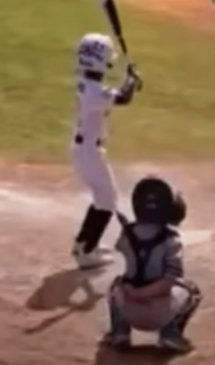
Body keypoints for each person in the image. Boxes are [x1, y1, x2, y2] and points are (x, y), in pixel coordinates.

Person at [103, 176, 201, 354]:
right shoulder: (172, 240)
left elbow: (126, 246)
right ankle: (171, 334)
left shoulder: (127, 235)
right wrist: (143, 294)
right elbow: (167, 283)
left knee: (116, 283)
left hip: (128, 307)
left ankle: (119, 333)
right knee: (193, 290)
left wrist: (129, 229)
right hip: (160, 313)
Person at [70, 32, 143, 270]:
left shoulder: (88, 85)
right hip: (89, 152)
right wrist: (131, 79)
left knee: (103, 198)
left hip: (86, 150)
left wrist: (130, 80)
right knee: (108, 200)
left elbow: (119, 95)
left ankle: (84, 243)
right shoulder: (94, 91)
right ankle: (86, 251)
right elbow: (123, 97)